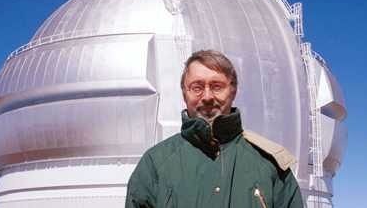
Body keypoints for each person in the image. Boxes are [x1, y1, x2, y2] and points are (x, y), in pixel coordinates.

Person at [126, 50, 303, 207]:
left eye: (217, 86)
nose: (208, 96)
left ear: (233, 91)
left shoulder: (269, 165)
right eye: (197, 87)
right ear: (184, 93)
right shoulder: (155, 164)